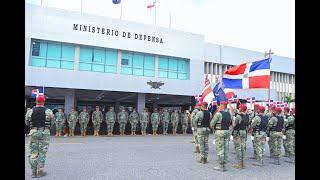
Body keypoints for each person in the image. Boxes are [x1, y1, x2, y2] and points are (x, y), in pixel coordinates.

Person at [27, 95, 54, 178]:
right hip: (44, 133)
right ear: (43, 101)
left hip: (33, 132)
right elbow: (52, 122)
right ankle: (40, 171)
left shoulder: (30, 111)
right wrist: (46, 129)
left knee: (33, 153)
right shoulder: (48, 111)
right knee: (42, 152)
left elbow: (27, 122)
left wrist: (33, 128)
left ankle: (33, 172)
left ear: (36, 101)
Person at [210, 101, 232, 171]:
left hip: (220, 132)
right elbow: (231, 123)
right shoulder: (229, 114)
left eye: (220, 105)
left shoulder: (218, 114)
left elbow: (211, 124)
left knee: (220, 148)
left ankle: (221, 166)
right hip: (227, 131)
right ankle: (224, 164)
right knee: (226, 148)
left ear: (221, 105)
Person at [232, 104, 249, 169]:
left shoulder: (238, 116)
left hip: (238, 132)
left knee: (238, 147)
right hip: (244, 131)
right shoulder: (247, 116)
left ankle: (239, 164)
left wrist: (234, 119)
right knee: (243, 147)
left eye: (239, 108)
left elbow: (234, 125)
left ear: (241, 109)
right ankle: (242, 163)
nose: (239, 108)